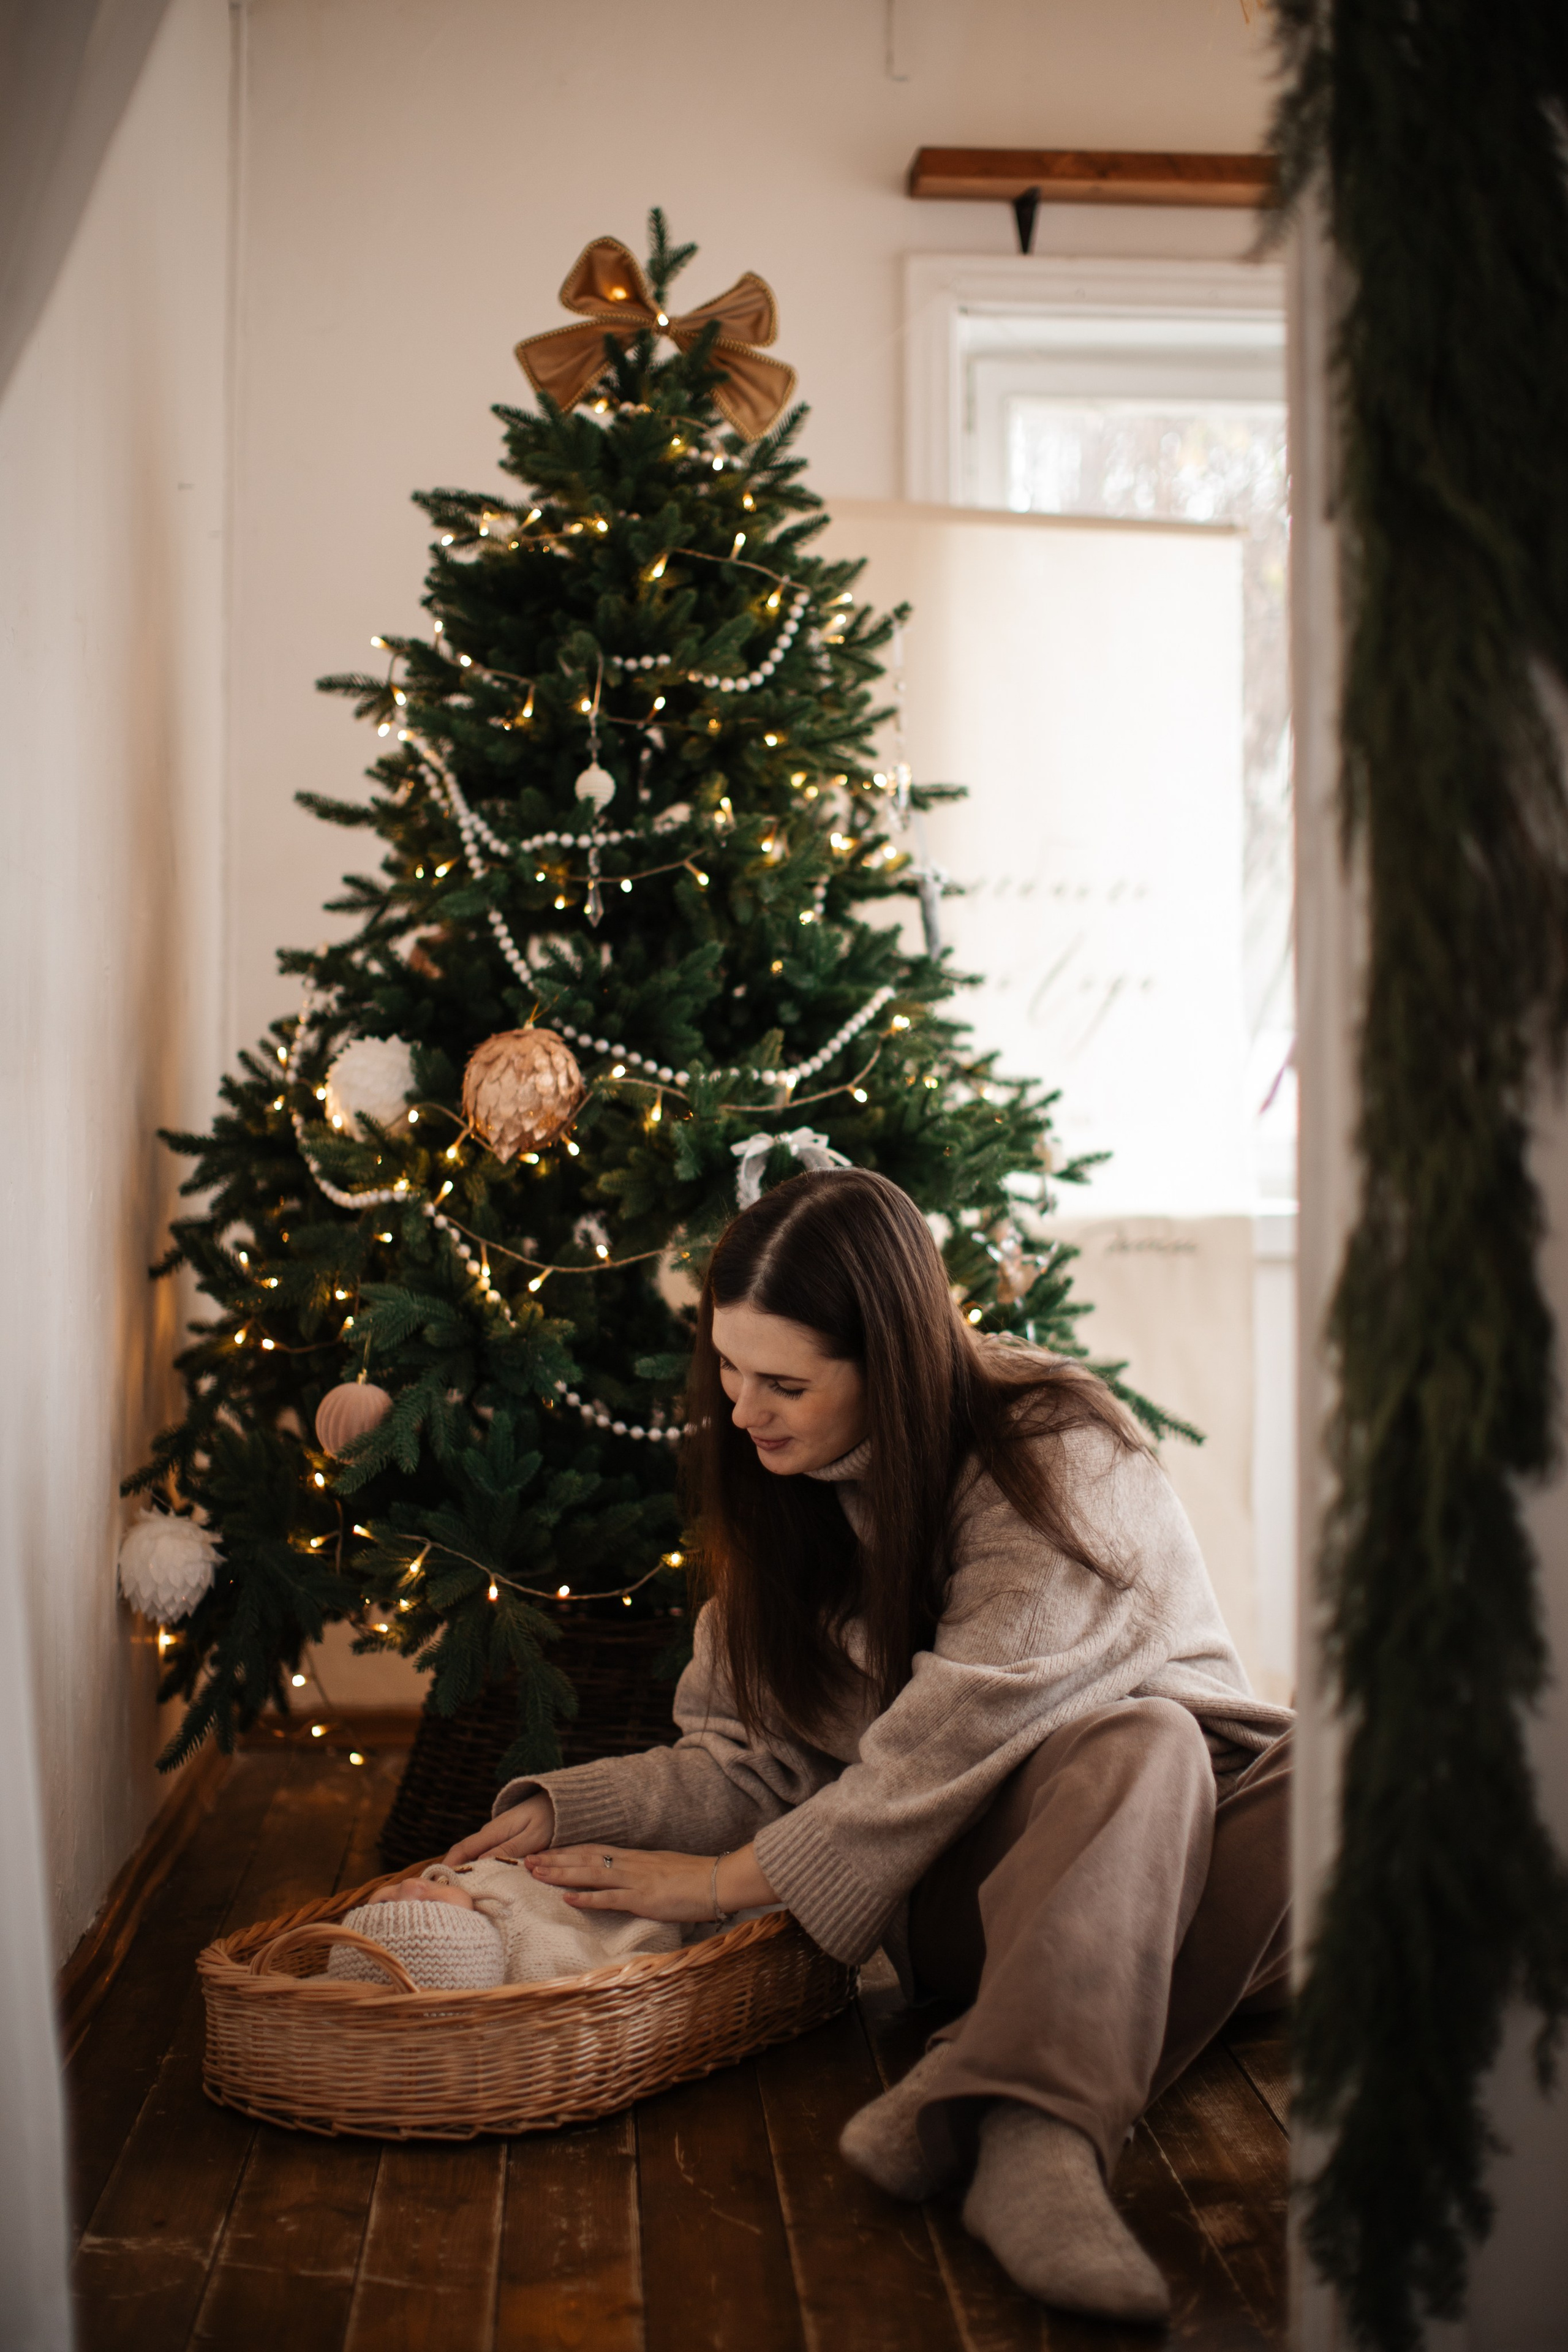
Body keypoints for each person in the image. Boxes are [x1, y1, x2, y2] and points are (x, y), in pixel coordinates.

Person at [447, 1167, 1292, 2323]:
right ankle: (1040, 2133)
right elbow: (744, 1761)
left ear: (889, 1358)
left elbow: (956, 1733)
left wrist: (725, 1883)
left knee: (1319, 1754)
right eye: (730, 1373)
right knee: (1144, 1743)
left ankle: (979, 2082)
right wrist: (572, 1810)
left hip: (1201, 1882)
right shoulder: (783, 1508)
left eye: (784, 1382)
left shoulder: (1054, 1445)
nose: (742, 1413)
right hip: (987, 1899)